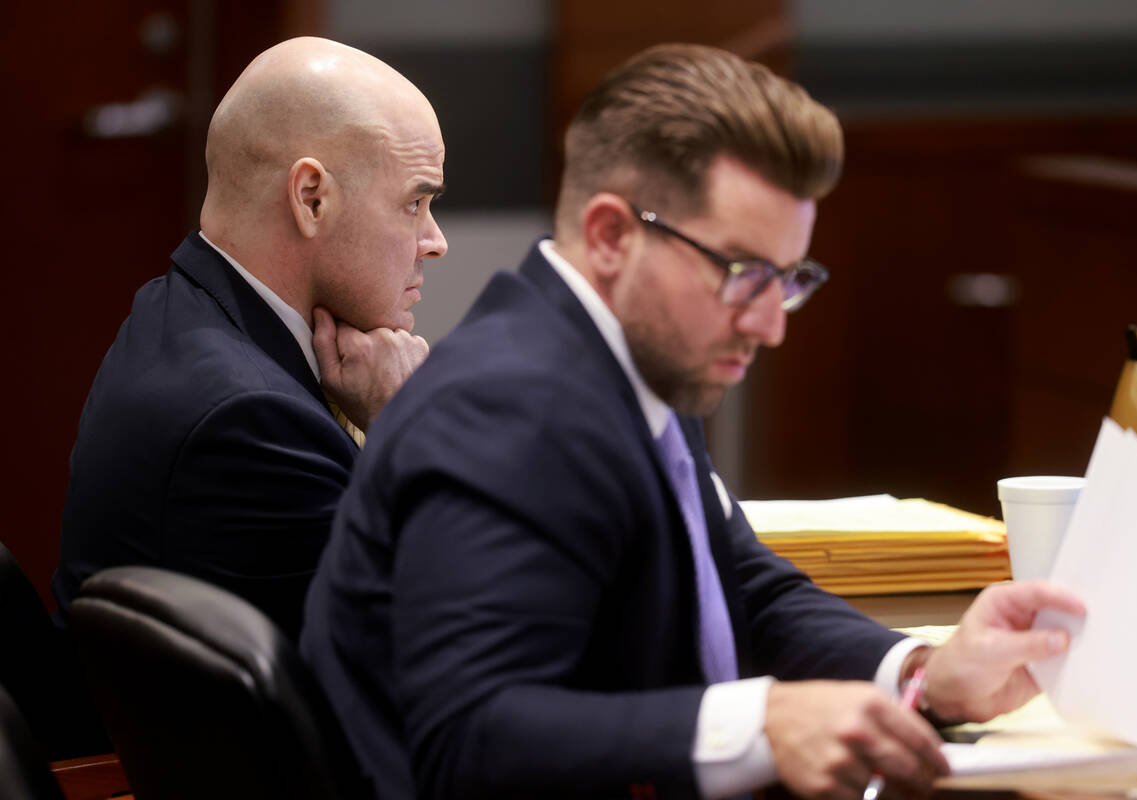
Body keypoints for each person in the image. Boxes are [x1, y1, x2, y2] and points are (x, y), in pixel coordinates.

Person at [301, 43, 1084, 799]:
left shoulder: (637, 361)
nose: (773, 324)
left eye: (789, 278)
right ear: (612, 236)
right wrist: (764, 722)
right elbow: (472, 736)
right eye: (744, 274)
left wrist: (919, 673)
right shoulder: (507, 410)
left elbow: (739, 581)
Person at [55, 37, 447, 640]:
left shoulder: (180, 304)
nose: (435, 241)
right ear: (311, 198)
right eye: (415, 203)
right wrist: (409, 427)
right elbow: (447, 644)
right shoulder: (249, 420)